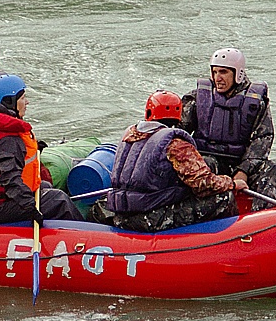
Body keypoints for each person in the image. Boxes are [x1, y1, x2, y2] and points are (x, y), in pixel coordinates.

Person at [107, 90, 252, 231]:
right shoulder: (175, 143)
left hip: (120, 216)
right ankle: (230, 239)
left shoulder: (129, 136)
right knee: (223, 197)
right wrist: (232, 184)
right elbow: (203, 184)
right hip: (149, 218)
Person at [0, 74, 77, 225]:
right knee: (58, 200)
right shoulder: (7, 138)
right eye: (23, 98)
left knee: (45, 186)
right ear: (9, 102)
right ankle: (88, 234)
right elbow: (10, 180)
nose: (27, 102)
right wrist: (30, 208)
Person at [180, 46, 276, 196]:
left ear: (238, 73)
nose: (217, 78)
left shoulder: (255, 102)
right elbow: (179, 132)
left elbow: (263, 138)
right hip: (206, 162)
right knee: (208, 164)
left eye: (223, 72)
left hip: (239, 164)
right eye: (215, 72)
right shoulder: (198, 98)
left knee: (273, 168)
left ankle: (263, 214)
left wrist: (244, 170)